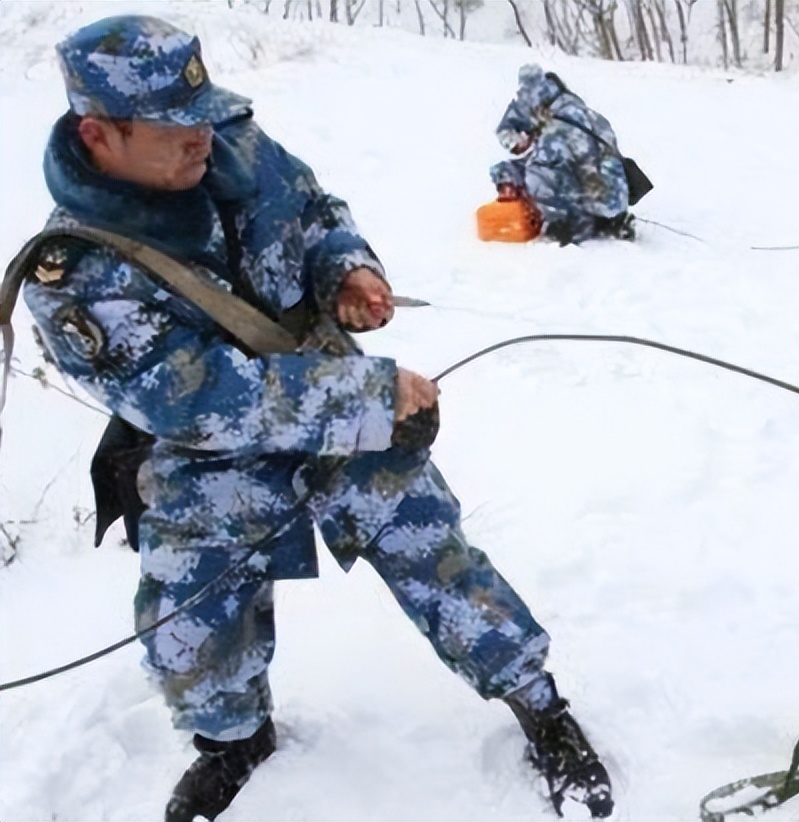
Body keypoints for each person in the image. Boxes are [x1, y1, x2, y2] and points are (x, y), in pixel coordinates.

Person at [15, 16, 612, 822]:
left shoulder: (231, 142)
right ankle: (232, 740)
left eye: (202, 119)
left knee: (437, 556)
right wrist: (369, 397)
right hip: (214, 454)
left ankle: (538, 703)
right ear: (99, 134)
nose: (201, 141)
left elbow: (313, 209)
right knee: (192, 620)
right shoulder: (72, 274)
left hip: (340, 407)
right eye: (174, 130)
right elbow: (196, 400)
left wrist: (348, 270)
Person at [490, 64, 634, 245]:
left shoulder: (552, 124)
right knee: (513, 170)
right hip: (604, 188)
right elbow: (505, 130)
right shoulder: (573, 105)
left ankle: (564, 223)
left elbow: (542, 162)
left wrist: (520, 145)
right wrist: (519, 143)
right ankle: (602, 220)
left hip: (586, 182)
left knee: (536, 170)